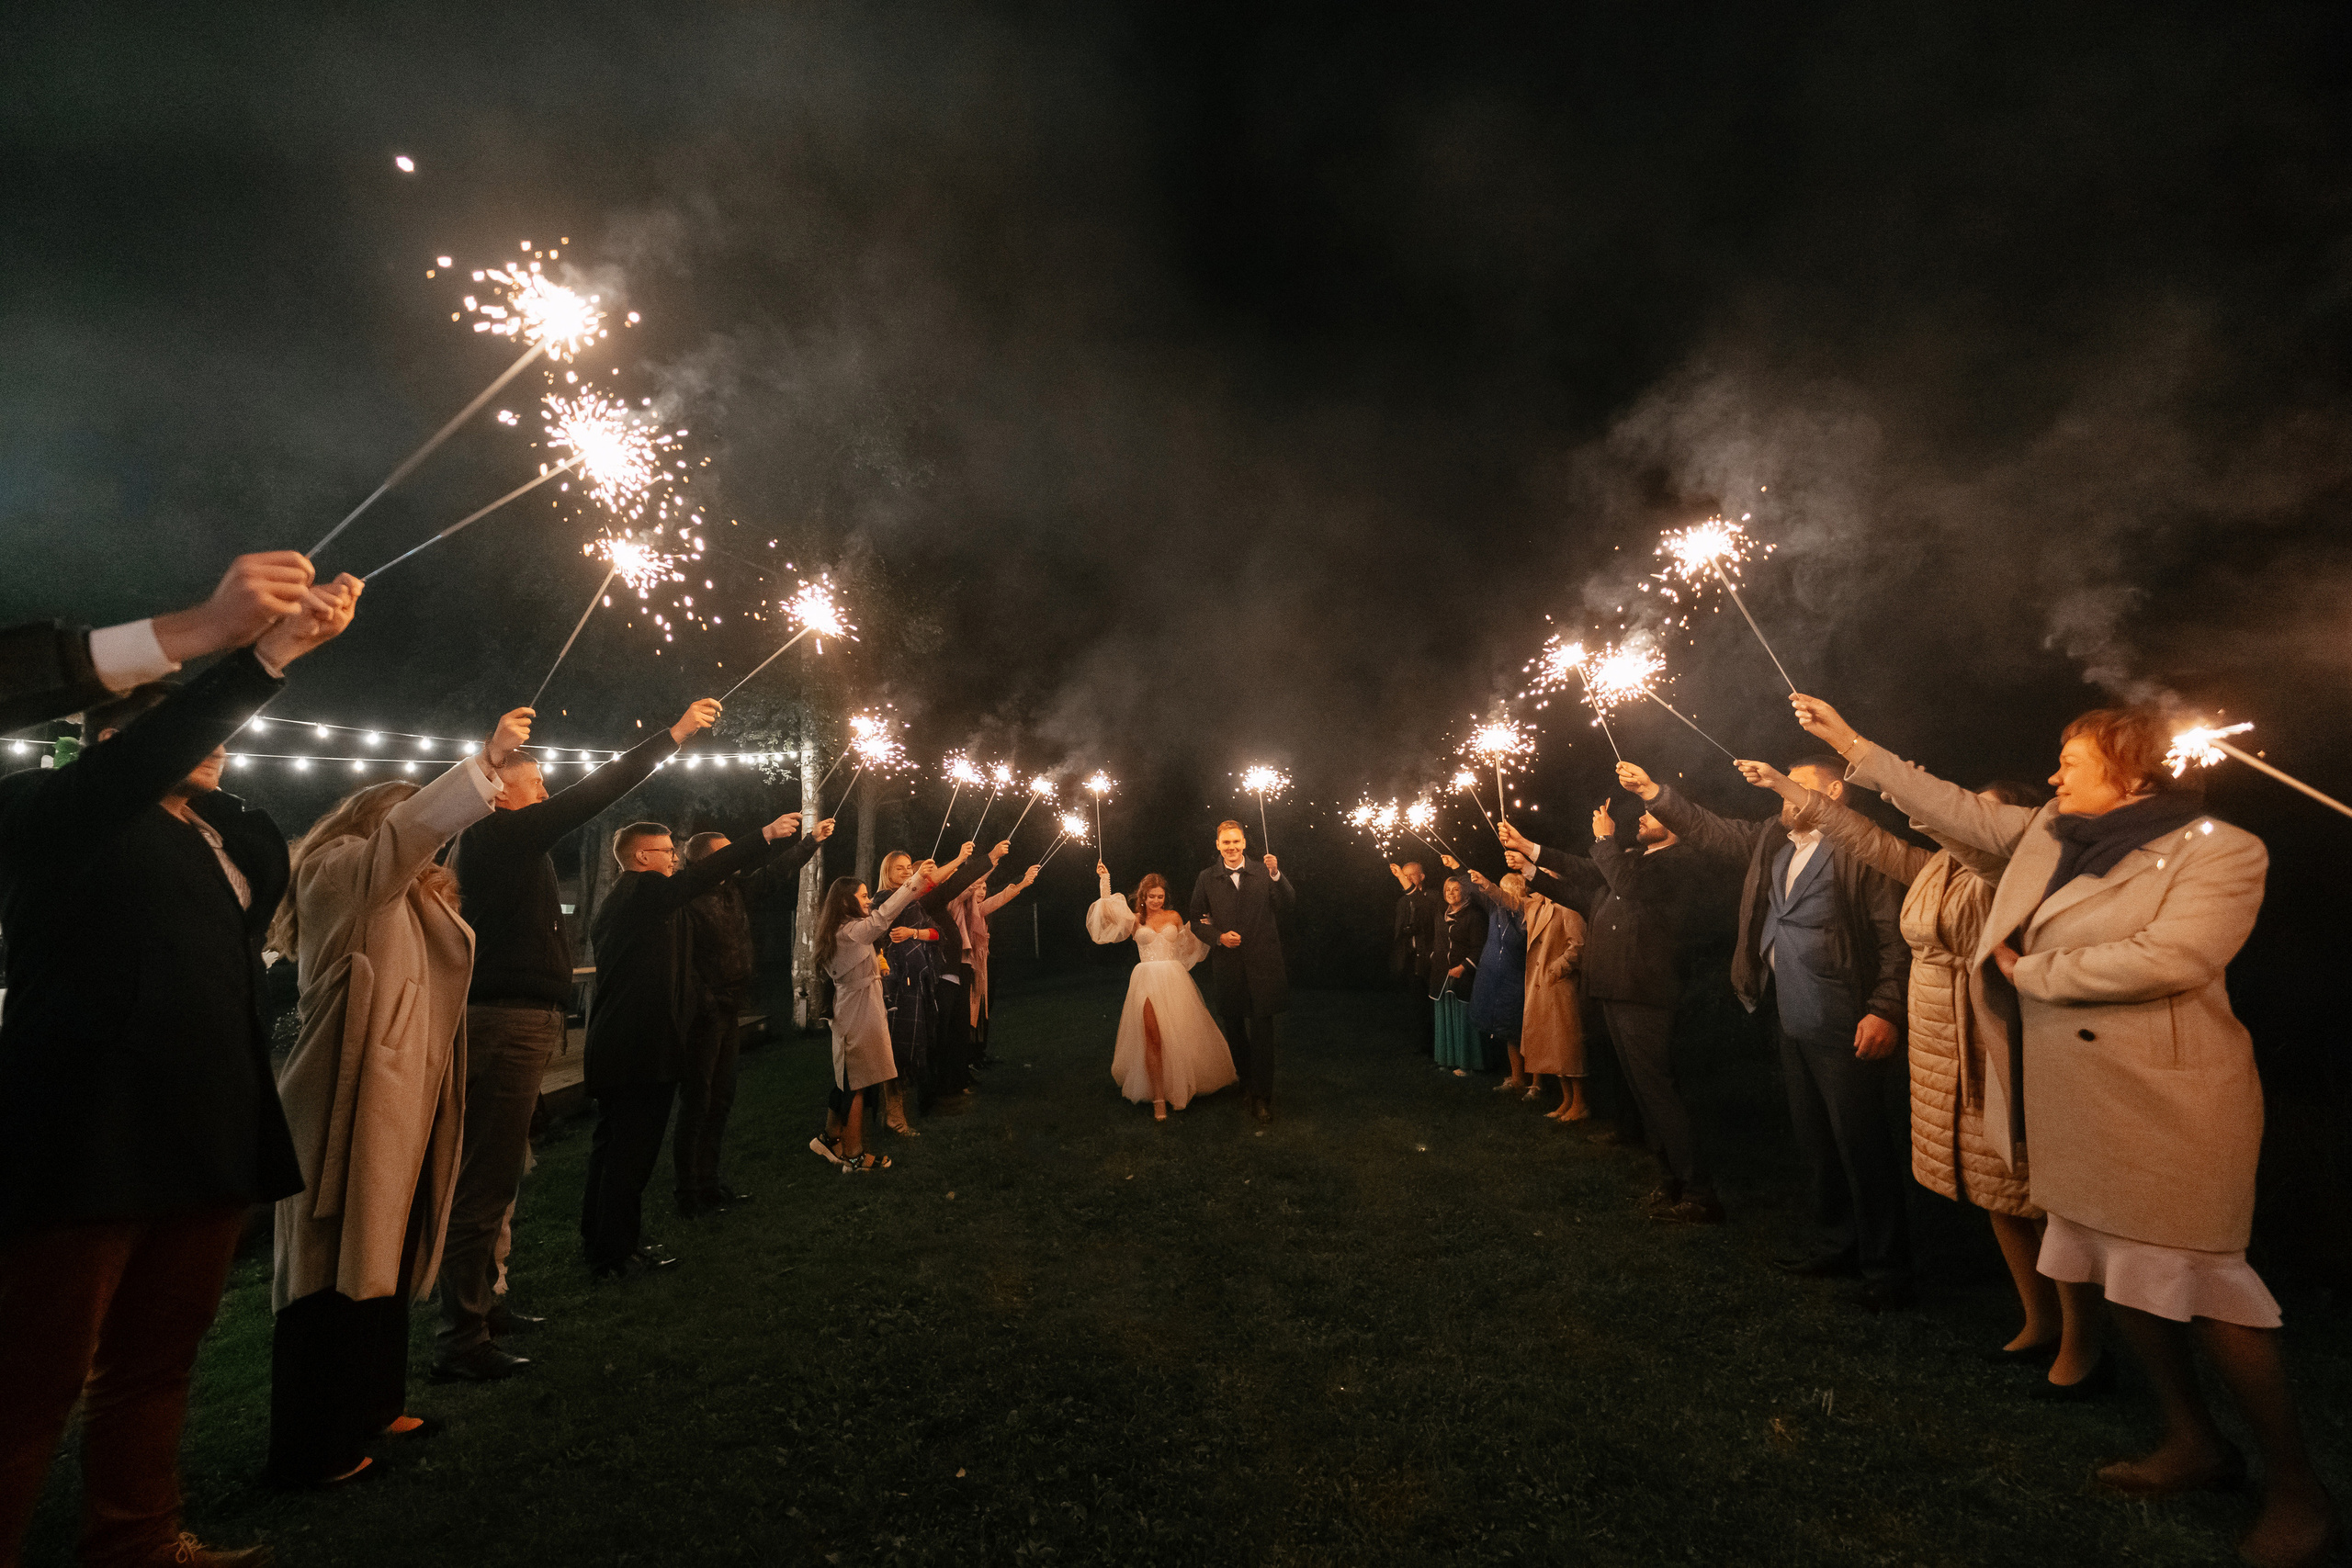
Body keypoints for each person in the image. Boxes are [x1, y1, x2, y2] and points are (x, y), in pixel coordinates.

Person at [1792, 694, 2338, 1565]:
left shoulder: (2223, 852)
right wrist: (1850, 743)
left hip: (2166, 1104)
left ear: (2127, 770)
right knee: (2121, 1277)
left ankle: (2299, 1488)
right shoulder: (2048, 832)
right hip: (2071, 1101)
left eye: (2072, 761)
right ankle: (2193, 1441)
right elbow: (1950, 811)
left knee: (2204, 1283)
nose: (2054, 775)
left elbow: (2176, 957)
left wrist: (2035, 970)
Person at [0, 572, 358, 1568]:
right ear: (107, 739)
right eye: (194, 729)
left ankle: (136, 1538)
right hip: (86, 1132)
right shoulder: (50, 811)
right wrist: (261, 660)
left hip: (204, 1130)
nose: (218, 744)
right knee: (31, 1381)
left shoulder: (221, 833)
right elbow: (131, 767)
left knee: (157, 1361)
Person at [1733, 758, 2102, 1392]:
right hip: (1943, 1049)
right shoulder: (1937, 868)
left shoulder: (2010, 867)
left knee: (2032, 1190)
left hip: (1994, 1035)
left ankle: (2083, 1344)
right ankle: (2037, 1320)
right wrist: (1784, 786)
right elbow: (1870, 839)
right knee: (1995, 1190)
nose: (1959, 819)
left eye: (1974, 811)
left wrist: (1868, 758)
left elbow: (1909, 891)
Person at [264, 711, 526, 1487]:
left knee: (389, 1246)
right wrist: (482, 763)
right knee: (332, 1261)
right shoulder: (339, 870)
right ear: (375, 821)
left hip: (406, 1097)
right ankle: (315, 1444)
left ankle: (377, 1403)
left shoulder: (411, 894)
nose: (434, 842)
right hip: (349, 1094)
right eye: (417, 822)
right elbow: (399, 846)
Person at [434, 697, 724, 1381]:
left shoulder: (509, 847)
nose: (547, 796)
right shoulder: (492, 837)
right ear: (499, 789)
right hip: (503, 1020)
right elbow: (597, 792)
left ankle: (487, 1303)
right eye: (535, 785)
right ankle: (462, 1334)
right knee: (483, 1178)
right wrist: (673, 733)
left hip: (521, 1019)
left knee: (499, 1174)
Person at [1626, 757, 1913, 1302]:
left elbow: (1893, 938)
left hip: (1847, 1018)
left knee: (1863, 1145)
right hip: (1791, 1014)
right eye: (1782, 791)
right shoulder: (1772, 843)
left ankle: (1887, 1268)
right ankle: (1835, 1242)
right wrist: (1655, 792)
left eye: (1797, 789)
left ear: (1835, 793)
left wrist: (1885, 1009)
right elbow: (1712, 830)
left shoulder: (1863, 849)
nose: (1785, 800)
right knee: (1816, 1141)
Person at [579, 810, 809, 1280]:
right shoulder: (641, 891)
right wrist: (762, 834)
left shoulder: (640, 901)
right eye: (666, 852)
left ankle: (605, 1242)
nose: (673, 862)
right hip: (638, 1047)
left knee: (614, 1151)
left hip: (625, 1045)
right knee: (629, 1155)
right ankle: (613, 1256)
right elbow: (701, 875)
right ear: (642, 857)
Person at [674, 818, 835, 1215]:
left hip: (730, 1008)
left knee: (721, 1098)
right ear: (706, 861)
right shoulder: (686, 898)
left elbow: (774, 872)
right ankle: (689, 1192)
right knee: (698, 1101)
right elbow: (684, 964)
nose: (737, 856)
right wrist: (707, 1002)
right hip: (704, 1014)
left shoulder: (733, 890)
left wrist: (809, 843)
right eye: (727, 851)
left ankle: (710, 1183)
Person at [0, 551, 319, 732]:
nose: (219, 752)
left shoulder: (229, 825)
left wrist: (274, 649)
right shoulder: (49, 809)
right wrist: (203, 626)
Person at [811, 860, 939, 1170]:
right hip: (858, 1012)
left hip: (856, 1008)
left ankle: (830, 1138)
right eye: (863, 895)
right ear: (845, 901)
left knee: (852, 1081)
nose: (869, 901)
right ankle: (853, 1155)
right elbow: (884, 917)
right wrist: (913, 884)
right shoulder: (851, 931)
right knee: (858, 1083)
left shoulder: (840, 930)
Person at [1087, 863, 1238, 1119]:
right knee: (1152, 1036)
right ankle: (1158, 1096)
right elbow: (1106, 915)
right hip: (1146, 979)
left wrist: (1211, 920)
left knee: (1178, 1033)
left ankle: (1181, 1085)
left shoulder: (1174, 917)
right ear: (1143, 897)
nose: (1156, 900)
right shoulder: (1135, 920)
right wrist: (1105, 880)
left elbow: (1187, 945)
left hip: (1173, 979)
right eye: (1151, 896)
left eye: (1160, 896)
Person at [872, 842, 1000, 1123]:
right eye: (900, 868)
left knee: (923, 1038)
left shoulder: (917, 902)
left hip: (925, 977)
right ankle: (901, 1109)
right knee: (908, 1042)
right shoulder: (886, 899)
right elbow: (947, 887)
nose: (906, 873)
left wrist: (916, 932)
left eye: (909, 868)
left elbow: (937, 934)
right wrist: (960, 859)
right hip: (901, 978)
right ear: (886, 872)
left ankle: (922, 1101)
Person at [1186, 820, 1297, 1122]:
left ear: (1244, 843)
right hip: (1228, 965)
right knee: (1235, 1029)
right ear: (1218, 845)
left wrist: (1276, 874)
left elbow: (1288, 902)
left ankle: (1263, 1096)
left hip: (1264, 964)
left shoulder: (1264, 871)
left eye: (1236, 842)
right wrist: (1218, 938)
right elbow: (1195, 920)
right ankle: (1246, 1085)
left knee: (1262, 1031)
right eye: (1226, 843)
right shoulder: (1207, 878)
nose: (1232, 847)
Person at [945, 859, 1039, 1066]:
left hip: (981, 963)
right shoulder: (960, 907)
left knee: (981, 1008)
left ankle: (977, 1053)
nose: (981, 892)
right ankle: (967, 1057)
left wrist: (1023, 882)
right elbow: (984, 895)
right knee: (968, 1009)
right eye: (977, 888)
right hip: (964, 964)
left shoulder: (980, 911)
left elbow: (999, 899)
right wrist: (991, 862)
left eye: (984, 888)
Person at [1444, 857, 1529, 1084]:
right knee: (1507, 1030)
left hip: (1517, 977)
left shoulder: (1526, 914)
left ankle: (1537, 1082)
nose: (1498, 893)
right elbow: (1477, 889)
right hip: (1494, 976)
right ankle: (1517, 1077)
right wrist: (1457, 868)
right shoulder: (1494, 909)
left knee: (1523, 1029)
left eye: (1504, 889)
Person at [1518, 873, 1589, 1120]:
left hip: (1560, 986)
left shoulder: (1568, 907)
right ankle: (1566, 1100)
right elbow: (1507, 899)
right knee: (1555, 1046)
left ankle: (1580, 1103)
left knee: (1568, 1046)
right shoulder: (1538, 904)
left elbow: (1578, 945)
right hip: (1543, 987)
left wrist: (1557, 968)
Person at [1430, 871, 1488, 1077]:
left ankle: (1466, 1064)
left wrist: (1463, 967)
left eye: (1456, 889)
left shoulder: (1474, 916)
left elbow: (1479, 947)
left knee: (1462, 1019)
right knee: (1444, 1017)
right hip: (1441, 976)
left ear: (1465, 892)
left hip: (1462, 975)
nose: (1451, 893)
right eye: (1448, 890)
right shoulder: (1441, 914)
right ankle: (1445, 1059)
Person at [1388, 861, 1442, 1054]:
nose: (1408, 878)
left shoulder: (1434, 897)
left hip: (1430, 959)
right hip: (1411, 960)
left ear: (1422, 877)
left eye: (1412, 875)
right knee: (1418, 1006)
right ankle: (1424, 1046)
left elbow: (1428, 914)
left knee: (1434, 1004)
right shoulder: (1402, 902)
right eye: (1405, 875)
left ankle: (1440, 1046)